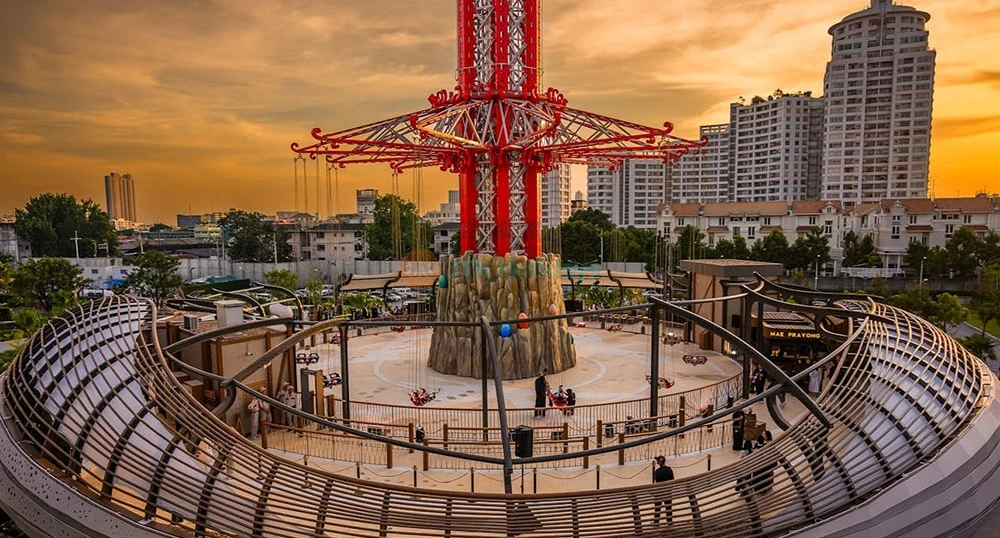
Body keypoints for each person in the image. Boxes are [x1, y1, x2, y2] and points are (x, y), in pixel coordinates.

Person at [652, 455, 674, 525]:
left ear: (659, 462)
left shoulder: (657, 471)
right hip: (668, 492)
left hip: (660, 492)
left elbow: (656, 482)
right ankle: (669, 521)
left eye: (657, 460)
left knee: (657, 507)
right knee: (668, 507)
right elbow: (672, 479)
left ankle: (656, 522)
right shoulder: (669, 469)